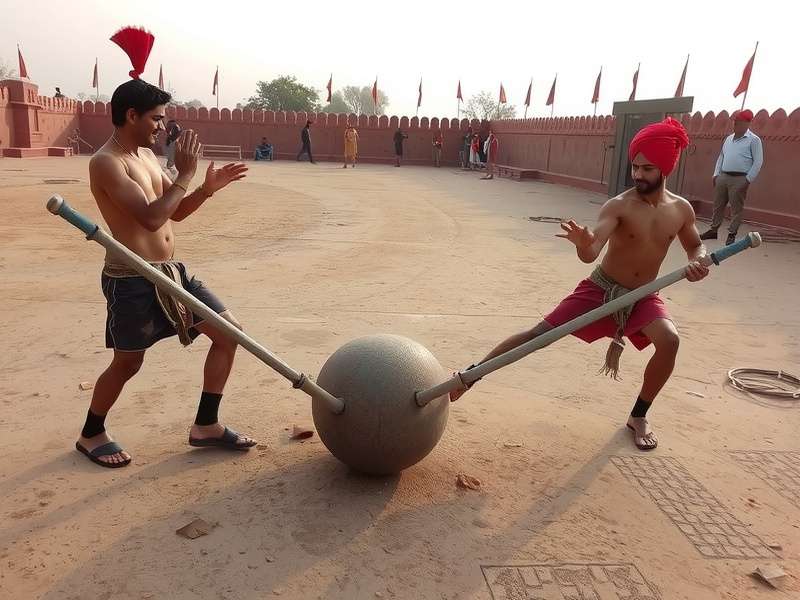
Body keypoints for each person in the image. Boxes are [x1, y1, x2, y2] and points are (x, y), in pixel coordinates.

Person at [450, 118, 710, 451]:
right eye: (634, 167)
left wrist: (698, 260)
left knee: (670, 341)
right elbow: (591, 253)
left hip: (644, 296)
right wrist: (582, 244)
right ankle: (471, 375)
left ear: (665, 167)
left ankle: (638, 415)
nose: (637, 175)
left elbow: (695, 245)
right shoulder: (619, 205)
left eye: (646, 168)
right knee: (537, 335)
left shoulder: (681, 209)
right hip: (600, 290)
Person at [76, 77, 252, 468]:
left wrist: (206, 190)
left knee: (229, 334)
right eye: (156, 119)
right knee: (128, 363)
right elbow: (151, 219)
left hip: (171, 273)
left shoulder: (146, 158)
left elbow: (175, 213)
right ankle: (91, 433)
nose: (162, 127)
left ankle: (206, 425)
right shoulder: (106, 162)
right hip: (132, 277)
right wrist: (186, 176)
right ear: (131, 115)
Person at [700, 109, 763, 246]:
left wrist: (748, 179)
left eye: (738, 121)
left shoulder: (753, 140)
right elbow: (721, 156)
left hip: (740, 178)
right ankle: (713, 230)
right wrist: (716, 174)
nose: (734, 124)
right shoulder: (729, 139)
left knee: (736, 208)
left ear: (746, 123)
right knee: (718, 205)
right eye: (734, 121)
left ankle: (732, 234)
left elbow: (758, 162)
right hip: (724, 175)